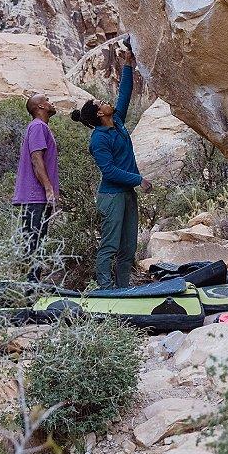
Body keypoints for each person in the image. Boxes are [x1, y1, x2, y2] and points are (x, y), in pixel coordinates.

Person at [71, 50, 152, 289]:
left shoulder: (116, 122)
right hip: (111, 196)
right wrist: (139, 179)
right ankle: (106, 289)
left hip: (126, 194)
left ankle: (123, 289)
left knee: (128, 247)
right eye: (100, 102)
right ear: (99, 113)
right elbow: (109, 172)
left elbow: (124, 95)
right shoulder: (98, 140)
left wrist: (128, 65)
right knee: (110, 245)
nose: (105, 101)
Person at [13, 94, 59, 282]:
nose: (52, 102)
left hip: (38, 197)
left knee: (36, 243)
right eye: (48, 99)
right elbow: (36, 158)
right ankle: (29, 291)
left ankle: (32, 288)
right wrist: (48, 189)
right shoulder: (38, 126)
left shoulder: (40, 127)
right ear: (40, 106)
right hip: (35, 196)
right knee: (33, 244)